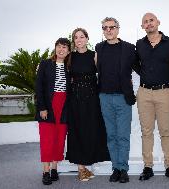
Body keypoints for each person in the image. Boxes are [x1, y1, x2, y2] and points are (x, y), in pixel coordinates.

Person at [135, 12, 169, 181]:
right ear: (142, 27)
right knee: (146, 132)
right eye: (145, 22)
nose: (148, 23)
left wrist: (164, 73)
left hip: (164, 92)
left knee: (166, 131)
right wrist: (146, 73)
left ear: (158, 22)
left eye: (151, 20)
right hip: (144, 93)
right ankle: (148, 167)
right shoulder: (139, 44)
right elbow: (135, 64)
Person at [65, 28, 110, 182]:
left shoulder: (94, 55)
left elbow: (104, 73)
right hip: (75, 100)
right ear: (73, 40)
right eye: (76, 37)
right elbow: (57, 66)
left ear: (87, 39)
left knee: (91, 130)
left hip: (92, 100)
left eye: (82, 37)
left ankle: (88, 165)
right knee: (77, 131)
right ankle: (81, 168)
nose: (79, 40)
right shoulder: (69, 57)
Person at [95, 17, 137, 183]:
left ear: (118, 29)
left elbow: (141, 67)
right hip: (104, 97)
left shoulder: (128, 48)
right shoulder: (99, 47)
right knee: (111, 136)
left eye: (112, 27)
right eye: (105, 28)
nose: (108, 30)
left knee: (123, 136)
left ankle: (123, 169)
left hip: (123, 98)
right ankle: (115, 168)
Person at [35, 38, 71, 185]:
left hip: (64, 106)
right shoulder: (45, 64)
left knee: (60, 138)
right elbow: (39, 87)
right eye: (59, 46)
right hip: (49, 106)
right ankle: (45, 171)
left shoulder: (70, 67)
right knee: (47, 139)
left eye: (64, 47)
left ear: (68, 51)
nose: (61, 50)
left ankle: (55, 168)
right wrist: (42, 107)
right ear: (55, 48)